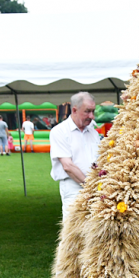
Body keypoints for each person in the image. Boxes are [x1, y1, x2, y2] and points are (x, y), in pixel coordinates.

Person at [49, 91, 99, 222]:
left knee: (96, 231)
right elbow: (68, 166)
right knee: (74, 233)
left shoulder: (93, 131)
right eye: (87, 111)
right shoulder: (59, 132)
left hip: (96, 188)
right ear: (74, 110)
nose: (92, 116)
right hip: (74, 189)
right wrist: (92, 187)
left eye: (93, 111)